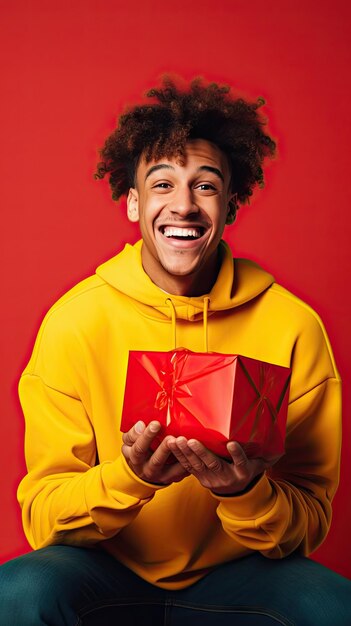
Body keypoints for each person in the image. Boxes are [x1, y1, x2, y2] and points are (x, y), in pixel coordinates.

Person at [1, 77, 350, 625]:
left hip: (241, 575)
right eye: (162, 185)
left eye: (205, 187)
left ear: (231, 205)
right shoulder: (74, 321)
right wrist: (130, 478)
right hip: (104, 570)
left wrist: (248, 491)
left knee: (334, 608)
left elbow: (310, 520)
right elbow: (45, 520)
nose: (183, 206)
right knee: (16, 592)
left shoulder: (293, 327)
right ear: (134, 203)